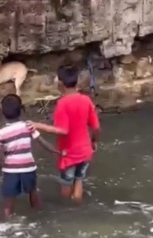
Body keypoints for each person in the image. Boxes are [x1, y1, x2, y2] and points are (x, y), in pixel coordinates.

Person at [28, 65, 100, 203]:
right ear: (77, 82)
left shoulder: (62, 103)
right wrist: (94, 141)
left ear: (60, 83)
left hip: (69, 154)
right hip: (85, 151)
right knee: (79, 179)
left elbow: (63, 130)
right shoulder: (86, 100)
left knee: (66, 185)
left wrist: (38, 125)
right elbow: (96, 127)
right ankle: (79, 207)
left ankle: (69, 211)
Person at [0, 94, 64, 219]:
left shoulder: (0, 133)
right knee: (34, 197)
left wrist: (1, 168)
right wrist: (57, 151)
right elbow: (42, 143)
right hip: (28, 169)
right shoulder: (28, 127)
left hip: (10, 171)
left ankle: (5, 226)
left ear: (3, 113)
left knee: (8, 204)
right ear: (21, 110)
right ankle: (43, 219)